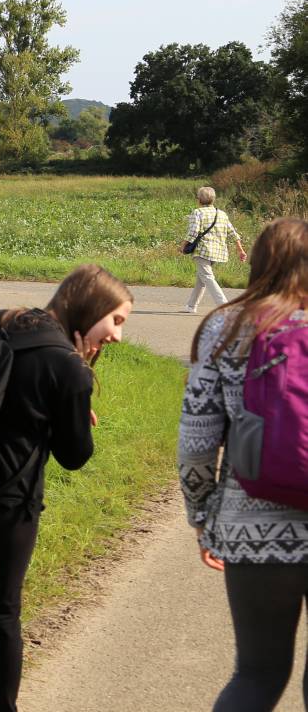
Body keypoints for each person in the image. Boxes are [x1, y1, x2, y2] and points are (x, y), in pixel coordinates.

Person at [0, 264, 132, 712]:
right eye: (116, 320)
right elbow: (75, 456)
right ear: (90, 309)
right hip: (7, 508)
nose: (117, 335)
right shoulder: (68, 367)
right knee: (1, 617)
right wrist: (73, 414)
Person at [180, 218, 308, 711]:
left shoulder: (225, 327)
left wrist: (202, 516)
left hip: (252, 531)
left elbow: (196, 440)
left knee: (256, 675)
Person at [182, 185, 249, 314]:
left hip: (202, 250)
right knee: (202, 278)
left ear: (199, 200)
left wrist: (183, 245)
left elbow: (193, 232)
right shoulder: (221, 214)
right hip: (217, 252)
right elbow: (232, 232)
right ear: (213, 199)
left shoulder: (198, 212)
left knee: (207, 277)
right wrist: (240, 250)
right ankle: (191, 306)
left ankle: (223, 305)